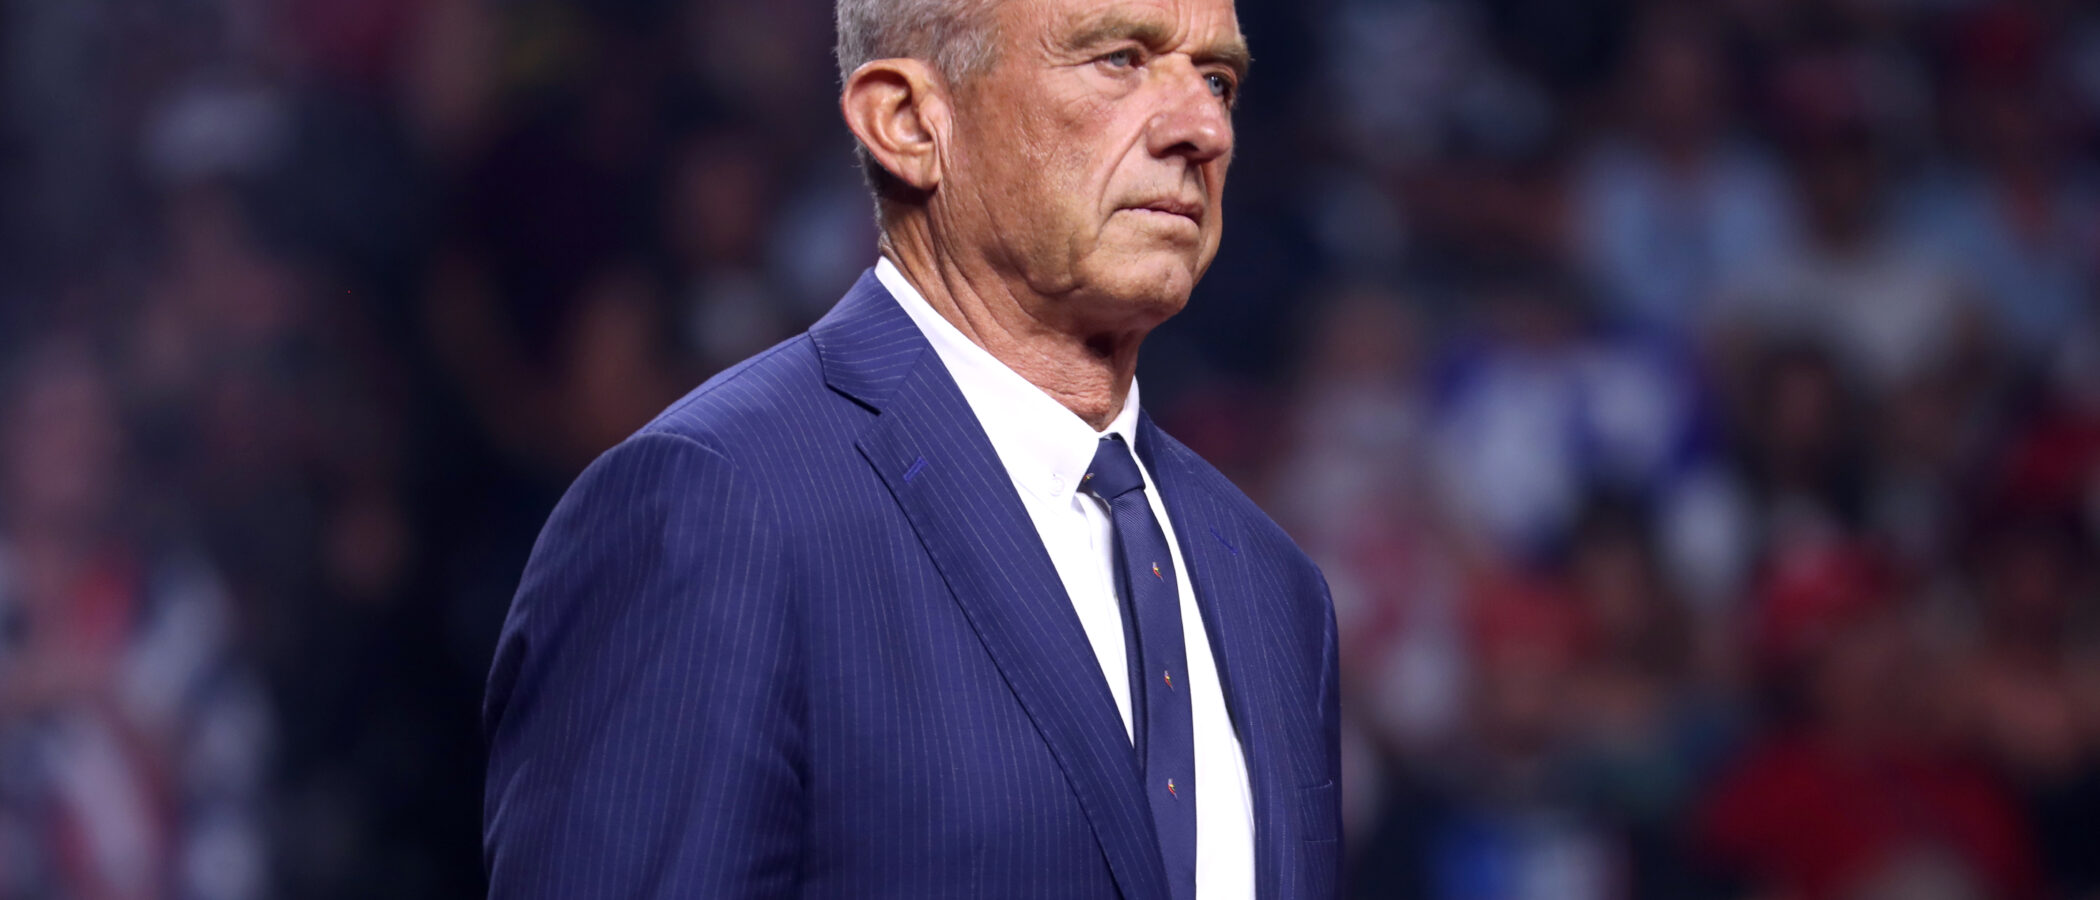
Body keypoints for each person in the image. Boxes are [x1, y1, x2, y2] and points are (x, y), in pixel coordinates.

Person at [480, 0, 1342, 896]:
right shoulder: (716, 509)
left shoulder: (1275, 587)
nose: (1204, 128)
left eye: (1217, 80)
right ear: (908, 122)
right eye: (1120, 59)